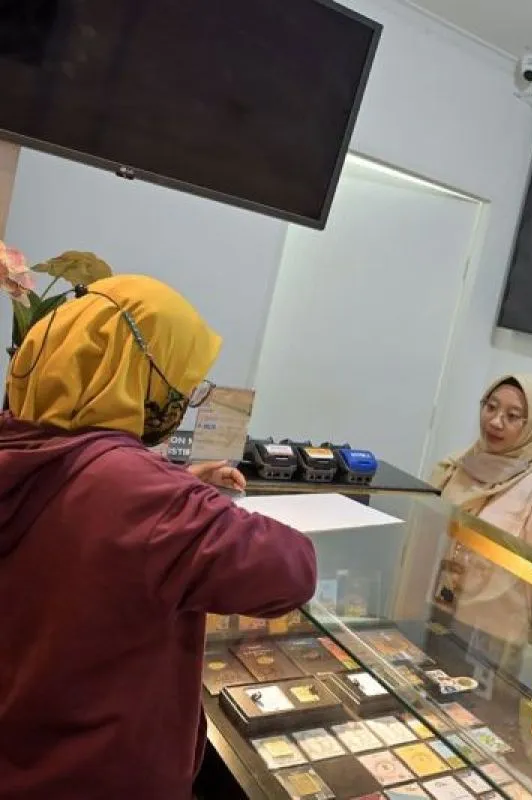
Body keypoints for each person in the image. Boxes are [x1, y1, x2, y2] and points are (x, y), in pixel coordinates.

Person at [0, 275, 318, 800]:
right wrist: (175, 492)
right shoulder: (141, 493)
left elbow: (80, 513)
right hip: (104, 777)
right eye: (182, 383)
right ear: (141, 375)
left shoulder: (22, 444)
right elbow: (292, 571)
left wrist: (172, 483)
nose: (184, 399)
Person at [429, 373, 532, 649]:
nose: (495, 422)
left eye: (512, 416)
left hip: (491, 636)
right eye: (491, 407)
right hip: (435, 610)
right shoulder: (460, 464)